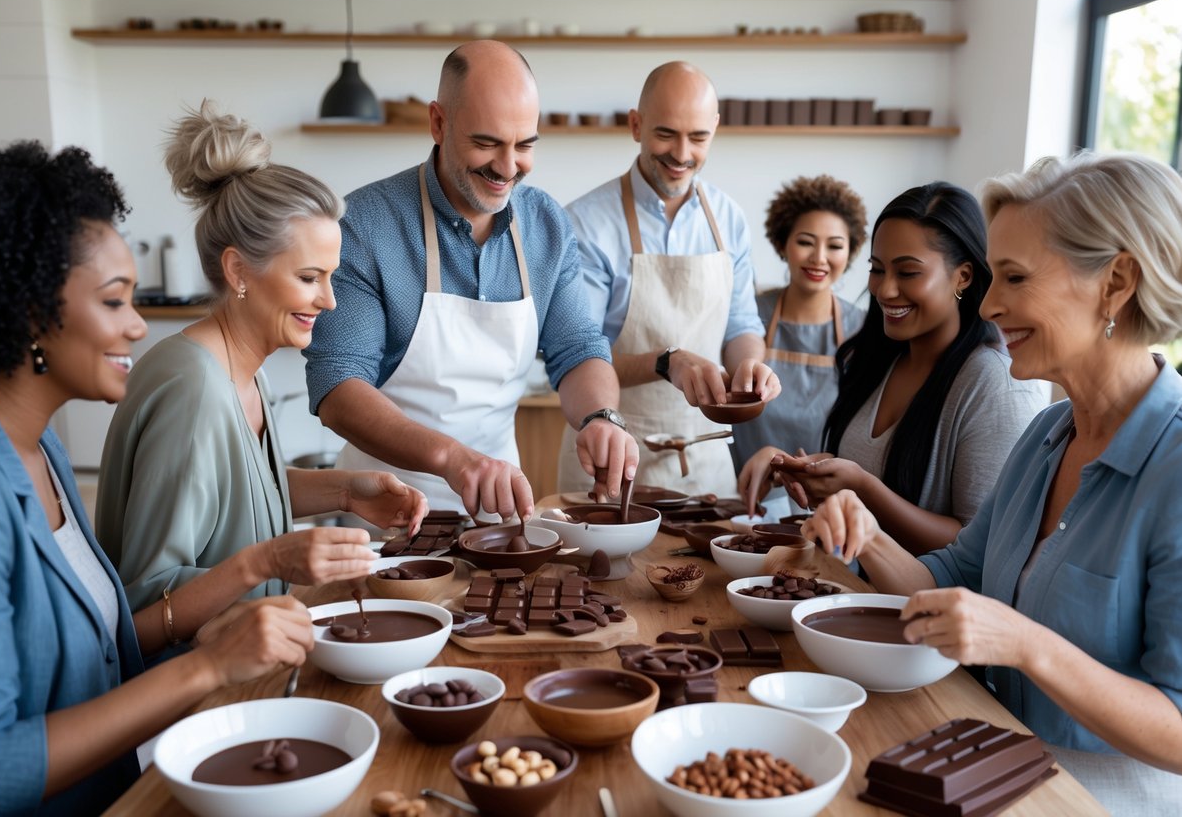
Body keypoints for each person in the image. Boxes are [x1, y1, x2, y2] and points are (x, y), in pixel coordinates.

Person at [800, 152, 1182, 814]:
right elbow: (951, 580)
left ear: (1115, 282)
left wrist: (1025, 643)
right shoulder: (1045, 436)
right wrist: (866, 537)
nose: (990, 303)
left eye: (1013, 277)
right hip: (991, 768)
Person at [0, 141, 314, 816]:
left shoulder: (40, 452)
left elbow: (110, 642)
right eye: (114, 301)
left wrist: (218, 634)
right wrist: (207, 667)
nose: (135, 327)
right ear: (31, 312)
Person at [97, 101, 428, 617]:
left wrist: (346, 492)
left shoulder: (241, 371)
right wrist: (273, 562)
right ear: (238, 270)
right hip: (192, 685)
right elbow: (148, 600)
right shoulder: (193, 390)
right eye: (308, 277)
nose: (330, 300)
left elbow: (237, 493)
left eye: (331, 276)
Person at [304, 41, 638, 519]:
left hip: (500, 514)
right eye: (486, 143)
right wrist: (452, 459)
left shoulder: (546, 224)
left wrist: (600, 418)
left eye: (524, 145)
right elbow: (338, 386)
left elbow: (578, 348)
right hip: (382, 514)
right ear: (439, 122)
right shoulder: (365, 226)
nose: (507, 168)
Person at [742, 182, 1043, 552]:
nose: (885, 290)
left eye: (908, 272)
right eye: (878, 269)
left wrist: (862, 488)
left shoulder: (993, 384)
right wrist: (813, 472)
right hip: (853, 591)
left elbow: (982, 547)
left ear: (962, 276)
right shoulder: (882, 358)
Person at [559, 61, 780, 498]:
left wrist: (751, 366)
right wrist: (668, 361)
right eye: (666, 134)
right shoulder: (586, 223)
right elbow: (578, 355)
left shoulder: (728, 219)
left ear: (715, 129)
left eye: (698, 137)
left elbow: (740, 325)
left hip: (704, 460)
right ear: (636, 125)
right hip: (609, 455)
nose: (682, 154)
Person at [730, 175, 868, 510]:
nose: (819, 257)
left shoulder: (865, 330)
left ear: (850, 253)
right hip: (747, 503)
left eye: (835, 246)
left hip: (829, 507)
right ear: (782, 244)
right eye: (806, 241)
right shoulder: (746, 318)